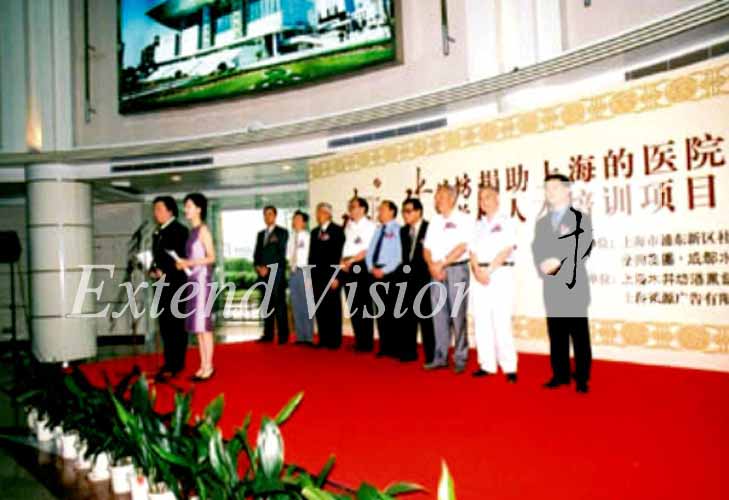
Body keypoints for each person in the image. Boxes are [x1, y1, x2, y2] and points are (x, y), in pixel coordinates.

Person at [531, 173, 594, 393]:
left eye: (555, 187)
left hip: (573, 284)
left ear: (567, 190)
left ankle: (582, 377)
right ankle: (560, 375)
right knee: (556, 334)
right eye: (547, 188)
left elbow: (583, 246)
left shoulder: (581, 218)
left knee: (579, 335)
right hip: (551, 285)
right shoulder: (541, 223)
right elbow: (537, 248)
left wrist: (558, 262)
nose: (550, 192)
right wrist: (542, 265)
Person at [423, 185, 474, 374]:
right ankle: (440, 357)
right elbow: (426, 248)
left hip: (456, 270)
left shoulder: (464, 218)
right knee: (438, 315)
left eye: (441, 197)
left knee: (457, 315)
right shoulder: (434, 221)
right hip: (435, 272)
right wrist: (432, 266)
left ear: (453, 198)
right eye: (436, 197)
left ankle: (460, 357)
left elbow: (462, 246)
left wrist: (442, 263)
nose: (437, 201)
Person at [469, 186, 518, 383]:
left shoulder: (507, 221)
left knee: (501, 321)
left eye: (487, 197)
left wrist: (488, 271)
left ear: (497, 198)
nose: (484, 201)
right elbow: (472, 251)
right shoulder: (477, 225)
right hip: (479, 276)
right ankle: (487, 364)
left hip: (499, 273)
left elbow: (506, 249)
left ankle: (509, 366)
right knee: (481, 321)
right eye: (480, 198)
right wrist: (477, 270)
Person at [176, 193, 216, 382]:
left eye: (189, 206)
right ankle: (203, 365)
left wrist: (188, 262)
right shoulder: (192, 231)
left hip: (202, 280)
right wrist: (184, 264)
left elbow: (212, 257)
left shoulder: (203, 230)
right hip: (193, 280)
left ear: (199, 209)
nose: (186, 209)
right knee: (198, 327)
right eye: (185, 206)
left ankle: (209, 366)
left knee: (204, 326)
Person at [149, 196, 189, 382]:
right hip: (161, 285)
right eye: (154, 209)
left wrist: (166, 271)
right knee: (165, 325)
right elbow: (157, 258)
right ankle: (168, 361)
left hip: (176, 286)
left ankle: (176, 363)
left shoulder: (180, 231)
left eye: (159, 208)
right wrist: (152, 269)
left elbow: (183, 259)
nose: (155, 213)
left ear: (170, 210)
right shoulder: (158, 232)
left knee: (176, 326)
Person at [399, 198, 434, 363]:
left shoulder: (430, 228)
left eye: (408, 211)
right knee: (407, 317)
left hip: (425, 279)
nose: (405, 215)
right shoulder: (403, 231)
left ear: (418, 212)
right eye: (403, 211)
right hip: (406, 280)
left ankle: (431, 355)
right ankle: (409, 352)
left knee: (426, 319)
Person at [365, 200, 402, 358]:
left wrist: (384, 270)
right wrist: (370, 267)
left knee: (392, 311)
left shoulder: (398, 229)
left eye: (382, 209)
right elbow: (370, 251)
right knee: (380, 311)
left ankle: (394, 347)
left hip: (390, 274)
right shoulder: (378, 229)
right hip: (375, 272)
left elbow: (398, 256)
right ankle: (384, 346)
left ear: (392, 212)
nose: (379, 212)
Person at [340, 197, 377, 352]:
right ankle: (359, 340)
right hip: (347, 268)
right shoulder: (348, 226)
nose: (351, 209)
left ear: (362, 209)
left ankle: (367, 343)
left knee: (364, 305)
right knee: (354, 305)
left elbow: (368, 249)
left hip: (362, 267)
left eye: (353, 206)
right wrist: (342, 262)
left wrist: (352, 260)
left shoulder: (370, 226)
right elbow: (345, 247)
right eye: (350, 206)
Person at [308, 202, 345, 349]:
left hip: (332, 276)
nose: (318, 215)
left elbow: (340, 255)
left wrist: (337, 276)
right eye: (317, 212)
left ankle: (334, 341)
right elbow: (311, 256)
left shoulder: (337, 230)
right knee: (320, 308)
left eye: (321, 212)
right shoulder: (314, 232)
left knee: (333, 308)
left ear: (329, 214)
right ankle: (323, 339)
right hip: (317, 276)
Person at [253, 205, 290, 344]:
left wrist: (268, 268)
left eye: (270, 214)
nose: (267, 217)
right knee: (266, 304)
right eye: (265, 214)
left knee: (279, 304)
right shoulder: (260, 234)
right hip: (262, 275)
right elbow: (256, 253)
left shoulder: (282, 232)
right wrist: (258, 266)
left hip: (276, 273)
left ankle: (283, 336)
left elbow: (281, 253)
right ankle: (268, 335)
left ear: (275, 216)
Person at [287, 210, 314, 345]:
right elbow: (288, 255)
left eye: (298, 219)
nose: (295, 221)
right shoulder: (291, 237)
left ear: (304, 222)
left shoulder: (308, 237)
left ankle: (308, 337)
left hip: (305, 272)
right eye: (294, 219)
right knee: (296, 304)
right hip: (293, 272)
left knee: (307, 305)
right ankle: (300, 337)